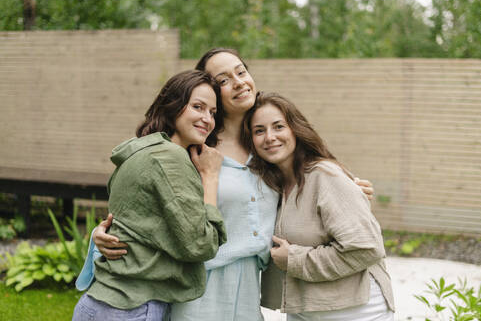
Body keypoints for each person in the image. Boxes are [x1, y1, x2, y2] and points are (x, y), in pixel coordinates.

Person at [85, 48, 375, 320]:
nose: (238, 83)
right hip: (198, 288)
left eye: (241, 72)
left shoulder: (267, 145)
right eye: (224, 80)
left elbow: (307, 179)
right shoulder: (195, 147)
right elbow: (145, 199)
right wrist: (101, 236)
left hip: (250, 286)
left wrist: (350, 190)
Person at [72, 70, 227, 321]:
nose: (207, 119)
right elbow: (200, 244)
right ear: (173, 106)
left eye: (212, 112)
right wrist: (210, 178)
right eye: (198, 107)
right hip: (132, 308)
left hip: (96, 302)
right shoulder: (171, 157)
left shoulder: (140, 151)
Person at [242, 92, 395, 320]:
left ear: (295, 129)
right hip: (303, 310)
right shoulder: (271, 186)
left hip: (355, 311)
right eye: (259, 131)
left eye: (278, 127)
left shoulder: (324, 175)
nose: (270, 137)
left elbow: (367, 248)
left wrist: (295, 259)